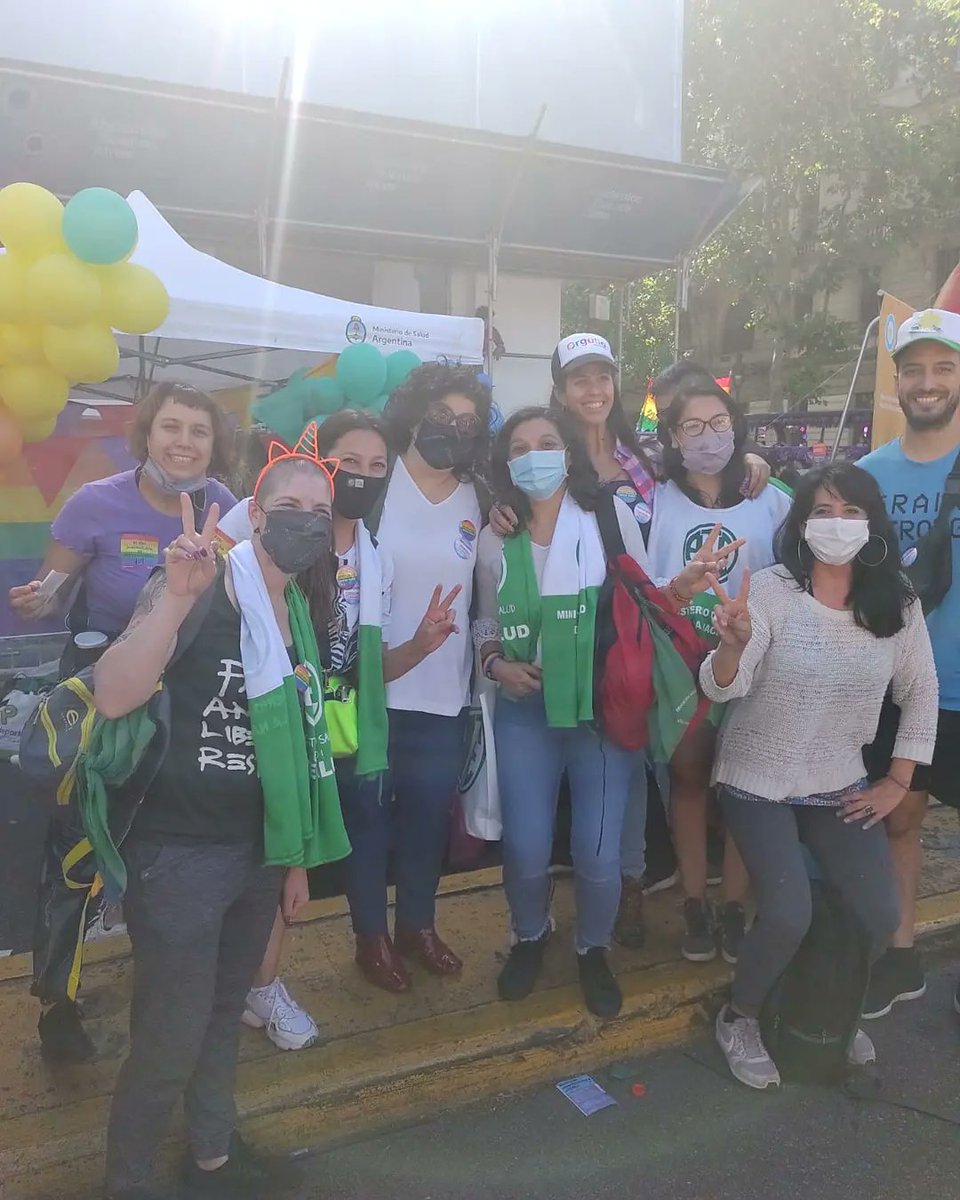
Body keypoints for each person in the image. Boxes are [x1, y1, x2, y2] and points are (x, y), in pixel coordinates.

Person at [97, 433, 349, 1200]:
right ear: (256, 514)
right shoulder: (203, 581)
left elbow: (298, 744)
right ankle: (128, 1181)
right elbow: (114, 693)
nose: (305, 520)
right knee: (170, 1033)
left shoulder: (298, 610)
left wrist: (294, 859)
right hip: (179, 852)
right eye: (289, 505)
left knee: (219, 1015)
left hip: (257, 849)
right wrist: (175, 596)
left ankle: (210, 1156)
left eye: (320, 511)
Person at [474, 406, 738, 1016]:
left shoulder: (609, 516)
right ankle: (530, 935)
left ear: (568, 453)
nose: (534, 456)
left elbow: (645, 599)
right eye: (520, 447)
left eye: (546, 442)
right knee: (526, 847)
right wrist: (494, 663)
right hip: (524, 710)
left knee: (598, 854)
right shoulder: (496, 534)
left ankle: (592, 948)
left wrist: (684, 586)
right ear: (507, 462)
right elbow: (484, 618)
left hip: (602, 708)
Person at [8, 380, 236, 1065]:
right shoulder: (95, 503)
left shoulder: (225, 509)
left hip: (186, 707)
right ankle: (58, 1004)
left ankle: (166, 987)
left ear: (214, 445)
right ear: (147, 434)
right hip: (105, 702)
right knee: (77, 852)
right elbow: (51, 594)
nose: (184, 442)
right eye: (172, 427)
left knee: (167, 853)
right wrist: (39, 598)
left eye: (198, 431)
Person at [699, 463, 937, 1089]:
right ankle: (740, 1016)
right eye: (823, 511)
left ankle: (828, 1003)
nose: (838, 524)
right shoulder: (771, 590)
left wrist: (898, 780)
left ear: (872, 522)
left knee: (878, 912)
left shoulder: (895, 600)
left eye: (851, 511)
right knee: (787, 913)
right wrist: (731, 646)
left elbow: (920, 691)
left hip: (837, 781)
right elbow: (725, 686)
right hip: (757, 778)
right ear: (801, 523)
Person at [220, 409, 463, 997]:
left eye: (377, 465)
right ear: (319, 464)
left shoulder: (376, 555)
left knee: (366, 829)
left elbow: (367, 670)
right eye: (348, 461)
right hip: (274, 727)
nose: (363, 475)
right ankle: (253, 985)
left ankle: (372, 939)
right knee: (273, 853)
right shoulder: (269, 529)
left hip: (346, 729)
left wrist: (420, 646)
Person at [647, 379, 792, 965]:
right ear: (672, 437)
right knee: (688, 780)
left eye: (718, 423)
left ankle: (732, 905)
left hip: (754, 663)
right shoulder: (653, 499)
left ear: (736, 425)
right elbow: (642, 584)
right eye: (692, 426)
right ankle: (694, 902)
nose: (708, 437)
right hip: (679, 664)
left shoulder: (772, 498)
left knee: (741, 787)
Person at [373, 363, 491, 975]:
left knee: (426, 825)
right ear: (415, 414)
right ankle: (371, 938)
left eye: (467, 424)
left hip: (445, 695)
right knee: (369, 826)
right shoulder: (377, 481)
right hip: (372, 688)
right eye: (442, 416)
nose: (452, 430)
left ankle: (417, 925)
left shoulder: (484, 497)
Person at [858, 308, 960, 1019]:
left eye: (944, 368)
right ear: (897, 380)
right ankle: (900, 957)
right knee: (901, 819)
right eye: (915, 369)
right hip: (899, 690)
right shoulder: (866, 477)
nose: (928, 382)